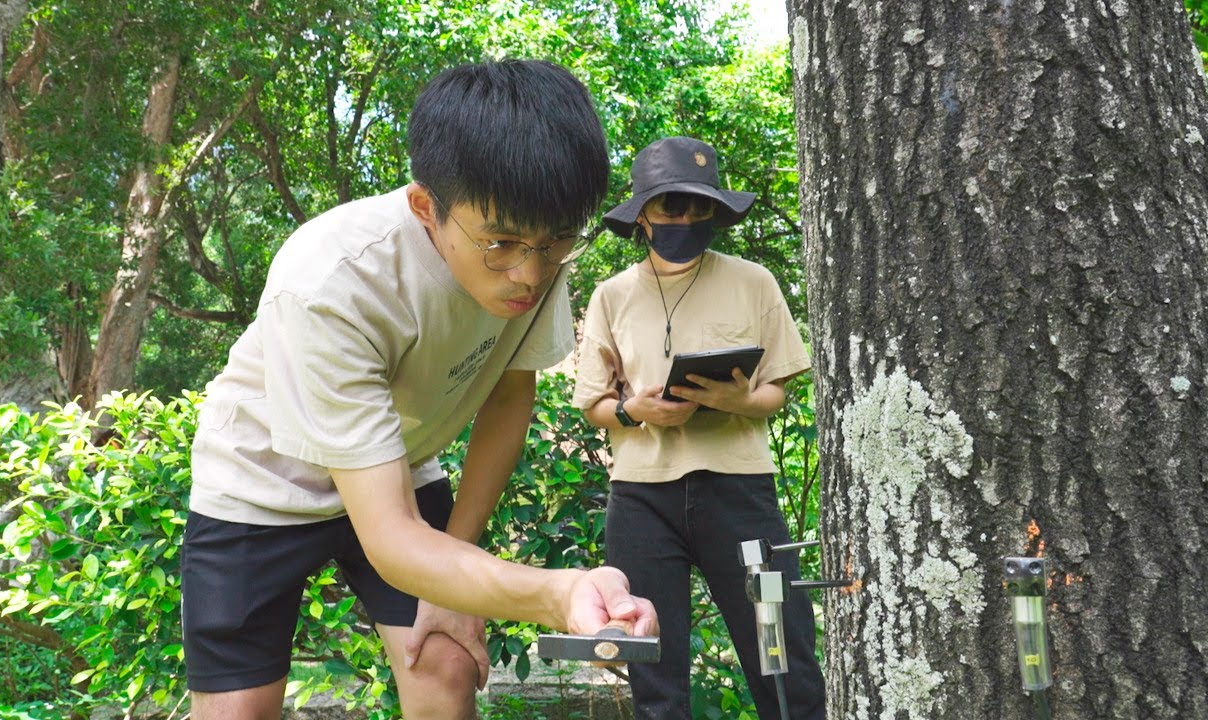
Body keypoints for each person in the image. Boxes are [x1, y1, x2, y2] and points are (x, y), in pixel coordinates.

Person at [181, 59, 657, 720]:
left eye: (554, 244)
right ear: (426, 208)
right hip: (262, 483)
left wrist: (457, 572)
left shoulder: (536, 251)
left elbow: (508, 398)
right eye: (501, 242)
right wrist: (557, 592)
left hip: (394, 466)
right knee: (240, 712)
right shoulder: (332, 283)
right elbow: (391, 540)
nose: (528, 273)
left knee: (446, 661)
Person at [571, 136, 825, 720]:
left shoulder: (753, 280)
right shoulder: (612, 295)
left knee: (782, 657)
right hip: (641, 496)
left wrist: (737, 398)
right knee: (653, 671)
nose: (686, 219)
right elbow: (594, 404)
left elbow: (778, 392)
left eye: (698, 207)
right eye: (671, 207)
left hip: (738, 488)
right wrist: (639, 411)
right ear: (643, 216)